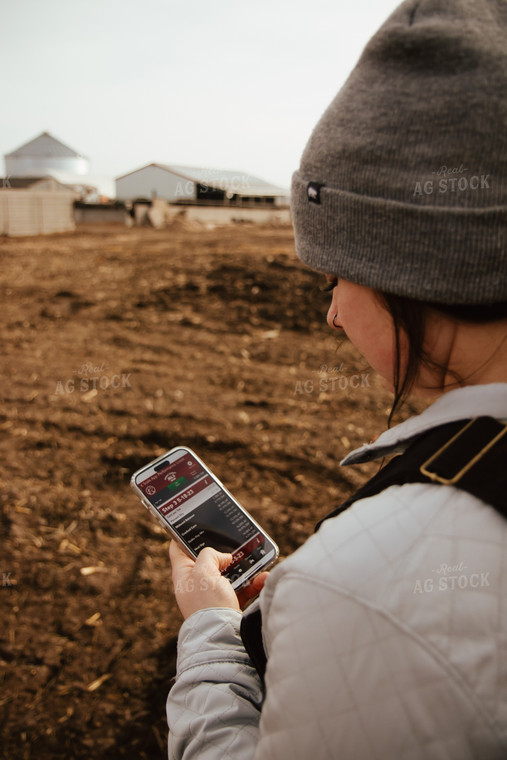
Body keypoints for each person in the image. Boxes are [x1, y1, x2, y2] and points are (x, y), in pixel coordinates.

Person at [166, 0, 507, 757]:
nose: (331, 314)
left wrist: (211, 629)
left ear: (411, 273)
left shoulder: (370, 587)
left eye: (333, 277)